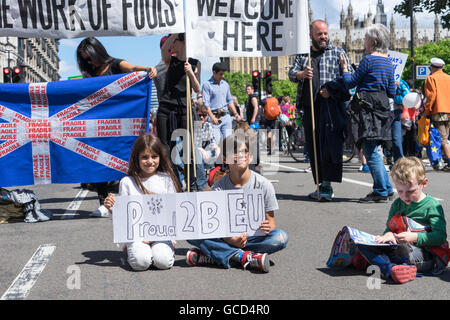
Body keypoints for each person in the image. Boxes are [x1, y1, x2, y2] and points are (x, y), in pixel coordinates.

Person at [76, 37, 158, 217]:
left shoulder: (115, 64)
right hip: (97, 126)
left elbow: (133, 69)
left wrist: (147, 70)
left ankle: (127, 200)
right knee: (97, 161)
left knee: (124, 161)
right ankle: (104, 202)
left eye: (90, 57)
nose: (89, 62)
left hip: (120, 126)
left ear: (97, 51)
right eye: (85, 60)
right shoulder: (90, 74)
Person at [185, 132, 288, 272]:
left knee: (280, 237)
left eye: (244, 151)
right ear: (224, 158)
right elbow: (214, 224)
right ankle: (242, 256)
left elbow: (271, 223)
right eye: (233, 152)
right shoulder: (218, 187)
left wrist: (267, 227)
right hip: (226, 237)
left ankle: (218, 255)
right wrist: (230, 239)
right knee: (190, 232)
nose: (239, 155)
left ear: (250, 157)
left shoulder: (264, 185)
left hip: (253, 238)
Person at [354, 157, 448, 283]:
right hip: (399, 248)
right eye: (400, 191)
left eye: (411, 191)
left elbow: (440, 236)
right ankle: (391, 267)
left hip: (424, 254)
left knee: (401, 250)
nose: (405, 196)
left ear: (424, 183)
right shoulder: (397, 204)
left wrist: (414, 237)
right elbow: (389, 229)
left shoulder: (432, 206)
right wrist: (387, 235)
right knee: (363, 244)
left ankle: (382, 265)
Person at [288, 19, 354, 201]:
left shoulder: (338, 52)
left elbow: (349, 78)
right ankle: (320, 184)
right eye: (319, 34)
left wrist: (331, 90)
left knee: (329, 146)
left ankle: (327, 184)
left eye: (325, 33)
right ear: (311, 36)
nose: (323, 37)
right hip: (310, 108)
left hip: (331, 108)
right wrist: (301, 74)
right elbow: (291, 73)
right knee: (314, 146)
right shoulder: (304, 55)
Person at [103, 134, 181, 271]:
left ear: (160, 158)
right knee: (141, 262)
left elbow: (173, 213)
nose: (150, 161)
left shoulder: (167, 179)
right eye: (144, 157)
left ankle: (167, 246)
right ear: (136, 159)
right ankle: (130, 249)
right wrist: (112, 209)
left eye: (154, 156)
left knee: (163, 262)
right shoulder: (127, 182)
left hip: (162, 232)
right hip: (137, 233)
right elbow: (124, 217)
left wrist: (156, 235)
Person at [340, 24, 396, 203]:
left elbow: (350, 83)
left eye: (365, 38)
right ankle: (386, 188)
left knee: (370, 151)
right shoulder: (388, 61)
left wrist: (345, 69)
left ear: (373, 41)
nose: (364, 41)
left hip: (367, 109)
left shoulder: (369, 60)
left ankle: (380, 190)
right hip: (382, 109)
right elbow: (392, 92)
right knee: (375, 149)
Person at [202, 62, 242, 142]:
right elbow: (206, 104)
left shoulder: (225, 84)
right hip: (214, 117)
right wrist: (212, 117)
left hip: (226, 117)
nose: (223, 76)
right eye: (221, 74)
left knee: (228, 144)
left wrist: (236, 114)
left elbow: (230, 101)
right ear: (214, 72)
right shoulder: (207, 85)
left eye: (223, 74)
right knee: (215, 144)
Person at [424, 57, 450, 172]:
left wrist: (427, 110)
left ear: (432, 67)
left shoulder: (431, 78)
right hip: (449, 111)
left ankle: (449, 161)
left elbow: (431, 96)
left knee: (442, 139)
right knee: (446, 137)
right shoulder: (448, 78)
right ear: (442, 67)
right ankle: (446, 160)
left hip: (438, 111)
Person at [261, 87, 280, 155]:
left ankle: (270, 148)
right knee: (273, 133)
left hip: (267, 118)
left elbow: (261, 110)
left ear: (266, 92)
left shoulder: (263, 100)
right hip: (274, 118)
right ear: (272, 92)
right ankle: (273, 147)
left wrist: (261, 116)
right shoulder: (275, 99)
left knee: (268, 134)